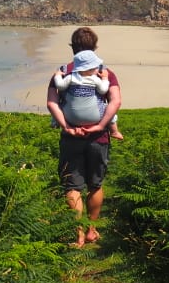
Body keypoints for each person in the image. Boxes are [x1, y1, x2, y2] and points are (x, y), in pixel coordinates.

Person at [47, 27, 121, 247]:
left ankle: (78, 234)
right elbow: (115, 102)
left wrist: (68, 127)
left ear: (72, 47)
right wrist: (100, 126)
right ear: (95, 47)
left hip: (71, 136)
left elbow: (52, 103)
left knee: (72, 187)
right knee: (95, 185)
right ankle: (92, 230)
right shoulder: (105, 72)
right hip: (98, 137)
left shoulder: (63, 72)